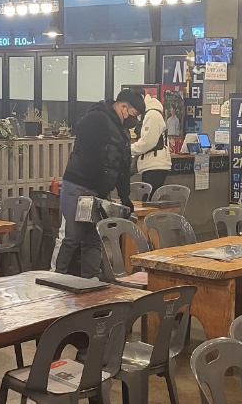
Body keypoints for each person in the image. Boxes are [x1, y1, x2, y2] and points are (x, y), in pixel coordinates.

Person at [55, 88, 143, 277]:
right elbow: (88, 154)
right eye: (135, 114)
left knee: (94, 238)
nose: (135, 120)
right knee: (71, 236)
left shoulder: (123, 132)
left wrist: (125, 197)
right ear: (124, 107)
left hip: (100, 191)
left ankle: (91, 280)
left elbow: (123, 167)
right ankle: (54, 277)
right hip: (78, 185)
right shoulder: (95, 118)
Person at [132, 89, 172, 194]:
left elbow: (147, 143)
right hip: (153, 165)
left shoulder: (152, 115)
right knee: (149, 199)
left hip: (154, 165)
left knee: (148, 199)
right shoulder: (151, 114)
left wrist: (128, 148)